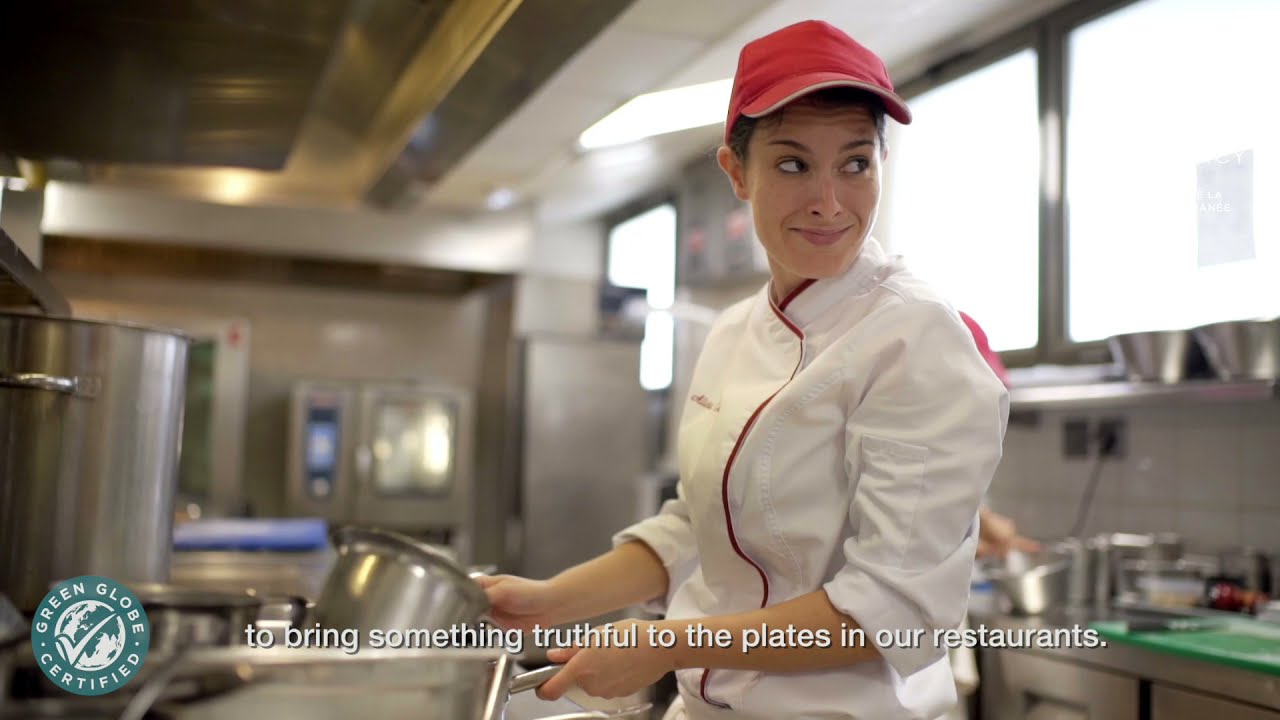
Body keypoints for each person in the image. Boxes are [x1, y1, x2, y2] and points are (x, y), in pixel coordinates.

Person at [476, 20, 1009, 719]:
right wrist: (550, 601)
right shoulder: (733, 332)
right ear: (737, 172)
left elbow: (892, 609)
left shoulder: (916, 337)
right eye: (793, 165)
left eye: (856, 164)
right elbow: (700, 528)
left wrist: (668, 646)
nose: (829, 200)